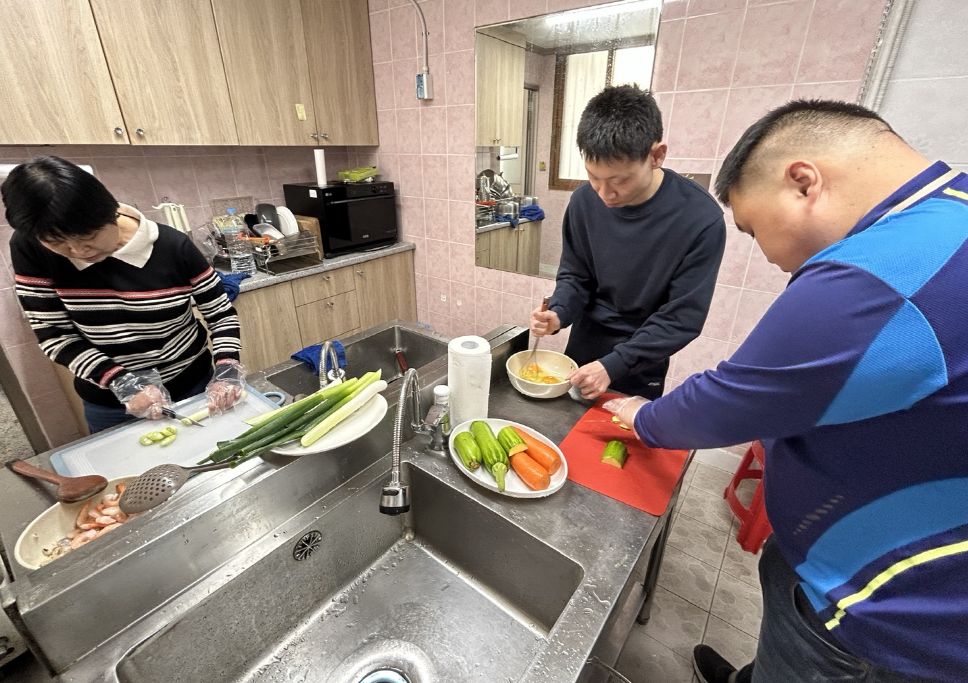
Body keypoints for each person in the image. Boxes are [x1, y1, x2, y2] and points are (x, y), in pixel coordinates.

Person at [606, 100, 968, 683]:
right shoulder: (950, 214)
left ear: (803, 182)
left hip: (880, 615)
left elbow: (729, 399)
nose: (771, 258)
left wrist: (639, 417)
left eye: (752, 230)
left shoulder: (875, 279)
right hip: (846, 571)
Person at [3, 156, 245, 433]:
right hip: (110, 403)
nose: (79, 251)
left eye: (89, 236)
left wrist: (226, 366)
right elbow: (54, 334)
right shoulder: (31, 247)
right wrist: (120, 381)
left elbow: (221, 313)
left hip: (192, 384)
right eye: (59, 243)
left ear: (110, 213)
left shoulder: (171, 245)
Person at [529, 84, 726, 401]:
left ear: (656, 155)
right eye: (593, 176)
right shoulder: (583, 202)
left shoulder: (700, 219)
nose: (604, 194)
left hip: (642, 357)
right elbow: (576, 275)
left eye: (619, 180)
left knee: (623, 442)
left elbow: (681, 318)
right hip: (585, 341)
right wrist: (559, 313)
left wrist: (614, 365)